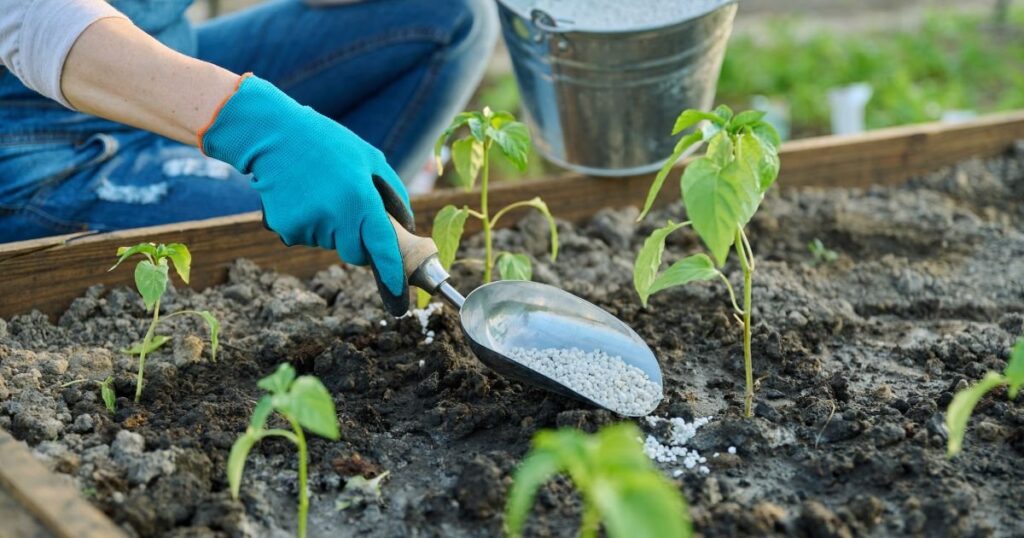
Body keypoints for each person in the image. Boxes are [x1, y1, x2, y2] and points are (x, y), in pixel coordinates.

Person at [0, 0, 498, 315]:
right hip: (39, 140)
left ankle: (350, 212)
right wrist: (256, 125)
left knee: (451, 16)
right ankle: (326, 247)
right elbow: (30, 17)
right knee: (279, 220)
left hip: (171, 53)